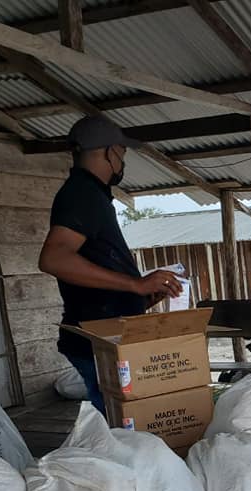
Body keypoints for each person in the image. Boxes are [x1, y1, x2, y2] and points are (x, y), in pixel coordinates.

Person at [38, 116, 183, 414]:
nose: (122, 162)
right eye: (122, 153)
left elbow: (94, 268)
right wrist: (134, 284)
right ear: (108, 152)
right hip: (98, 343)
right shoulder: (82, 194)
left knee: (128, 425)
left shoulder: (92, 196)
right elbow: (53, 258)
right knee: (126, 427)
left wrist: (139, 297)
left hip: (106, 336)